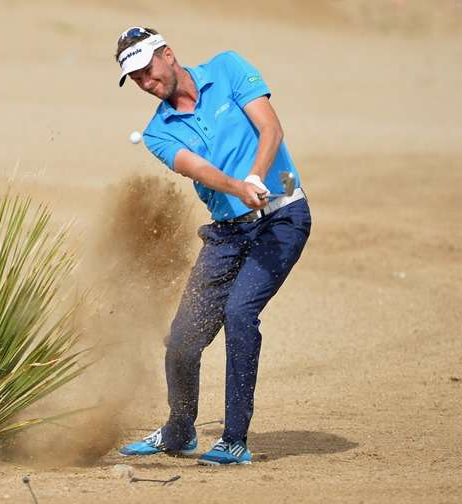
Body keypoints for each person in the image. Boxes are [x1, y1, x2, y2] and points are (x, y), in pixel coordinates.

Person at [115, 27, 312, 465]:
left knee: (240, 314)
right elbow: (200, 170)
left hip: (283, 218)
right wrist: (239, 188)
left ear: (167, 54)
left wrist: (257, 177)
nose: (147, 84)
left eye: (148, 71)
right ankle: (180, 431)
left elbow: (271, 129)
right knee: (183, 341)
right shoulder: (158, 133)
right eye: (138, 80)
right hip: (227, 232)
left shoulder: (227, 68)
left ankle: (234, 439)